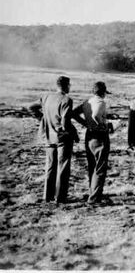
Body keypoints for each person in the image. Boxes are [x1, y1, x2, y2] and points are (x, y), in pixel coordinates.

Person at [29, 76, 78, 204]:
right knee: (63, 167)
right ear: (66, 85)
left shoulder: (46, 97)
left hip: (48, 136)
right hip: (62, 137)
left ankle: (47, 196)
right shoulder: (66, 100)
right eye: (69, 85)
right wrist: (74, 133)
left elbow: (31, 107)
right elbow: (66, 123)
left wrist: (42, 119)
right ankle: (60, 198)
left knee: (50, 166)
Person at [72, 81, 112, 204]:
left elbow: (74, 113)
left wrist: (86, 124)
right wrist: (103, 125)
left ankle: (92, 192)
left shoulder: (87, 102)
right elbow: (95, 115)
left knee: (92, 167)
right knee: (100, 168)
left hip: (89, 136)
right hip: (100, 136)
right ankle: (94, 199)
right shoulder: (101, 102)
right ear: (104, 92)